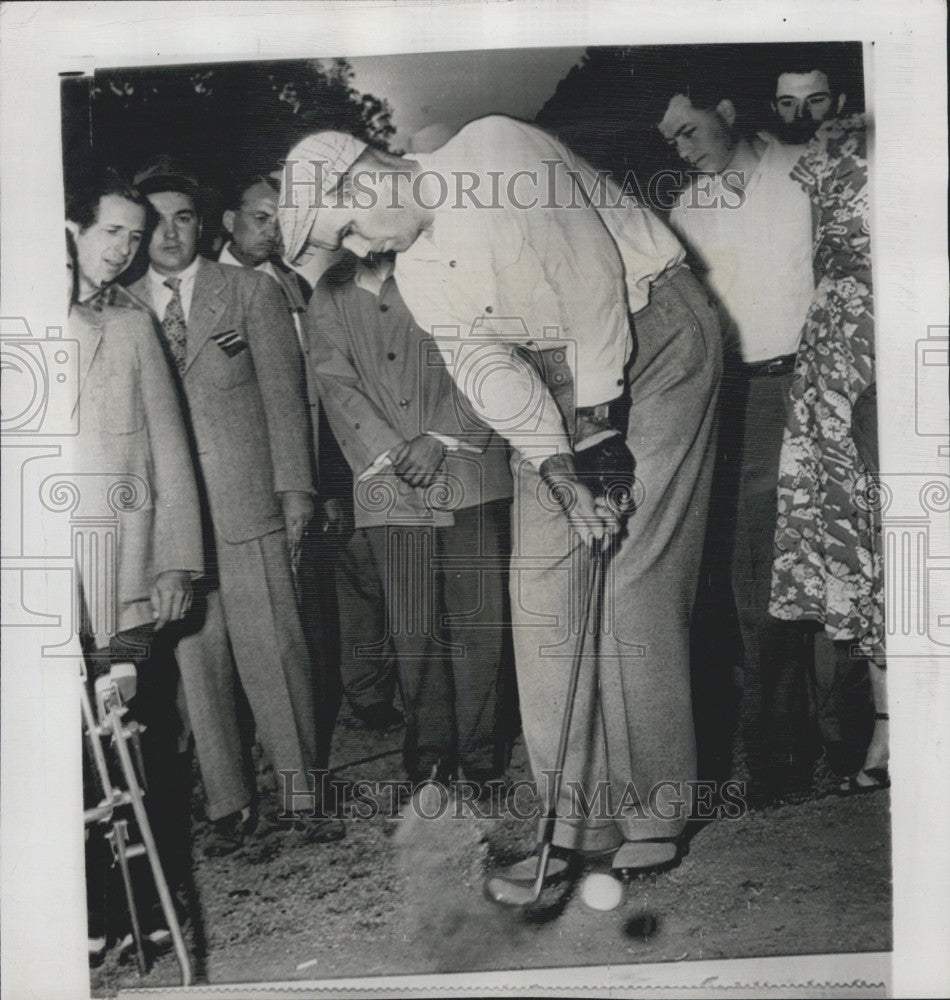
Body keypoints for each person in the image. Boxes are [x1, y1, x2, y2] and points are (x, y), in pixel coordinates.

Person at [279, 118, 721, 875]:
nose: (359, 250)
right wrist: (556, 466)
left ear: (368, 178)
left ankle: (656, 807)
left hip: (655, 334)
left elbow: (590, 295)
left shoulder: (495, 154)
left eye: (349, 227)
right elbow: (483, 364)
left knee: (630, 575)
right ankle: (573, 821)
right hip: (555, 372)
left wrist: (597, 440)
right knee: (543, 582)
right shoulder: (415, 265)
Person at [128, 158, 344, 852]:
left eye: (183, 217)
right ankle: (229, 808)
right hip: (172, 530)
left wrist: (297, 493)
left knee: (277, 656)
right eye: (154, 221)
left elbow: (287, 398)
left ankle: (303, 799)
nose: (168, 233)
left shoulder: (247, 290)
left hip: (251, 509)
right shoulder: (123, 307)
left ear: (203, 223)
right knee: (198, 665)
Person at [659, 84, 816, 802]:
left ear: (728, 109)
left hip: (820, 388)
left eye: (689, 129)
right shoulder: (686, 211)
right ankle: (775, 755)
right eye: (670, 140)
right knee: (754, 577)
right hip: (741, 402)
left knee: (834, 561)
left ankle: (856, 745)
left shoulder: (806, 173)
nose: (681, 148)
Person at [310, 252, 514, 788]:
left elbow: (492, 357)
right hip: (385, 485)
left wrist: (439, 438)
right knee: (412, 629)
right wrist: (394, 451)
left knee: (479, 626)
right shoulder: (329, 295)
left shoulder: (450, 266)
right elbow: (335, 384)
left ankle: (481, 759)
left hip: (470, 473)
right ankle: (430, 759)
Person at [66, 169, 203, 964]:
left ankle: (151, 910)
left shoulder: (133, 323)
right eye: (111, 230)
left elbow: (170, 446)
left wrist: (179, 557)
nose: (124, 248)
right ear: (71, 228)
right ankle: (88, 918)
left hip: (125, 574)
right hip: (46, 584)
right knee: (69, 760)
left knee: (134, 747)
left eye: (132, 234)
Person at [219, 171, 399, 740]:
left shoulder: (296, 283)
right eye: (260, 217)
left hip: (326, 454)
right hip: (255, 472)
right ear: (229, 221)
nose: (272, 231)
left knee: (356, 574)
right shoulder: (207, 291)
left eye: (282, 218)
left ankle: (365, 693)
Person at [767, 112, 885, 794]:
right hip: (843, 356)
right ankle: (887, 733)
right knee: (865, 542)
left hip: (910, 331)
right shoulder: (838, 142)